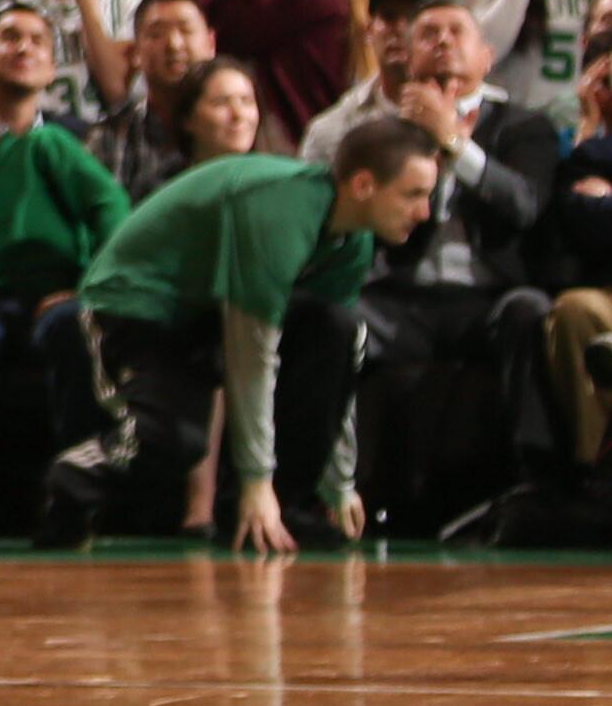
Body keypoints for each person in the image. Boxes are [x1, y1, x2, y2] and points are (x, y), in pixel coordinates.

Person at [31, 119, 444, 551]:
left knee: (337, 328)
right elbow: (251, 357)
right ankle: (74, 480)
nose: (424, 213)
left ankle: (280, 509)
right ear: (362, 185)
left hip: (204, 311)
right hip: (136, 305)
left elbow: (337, 364)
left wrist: (338, 486)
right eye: (413, 194)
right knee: (171, 441)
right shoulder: (281, 211)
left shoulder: (353, 240)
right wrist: (255, 482)